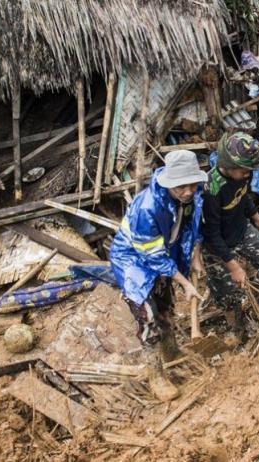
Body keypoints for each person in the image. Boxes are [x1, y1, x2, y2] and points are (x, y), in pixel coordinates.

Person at [110, 150, 206, 402]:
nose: (188, 191)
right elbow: (151, 257)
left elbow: (193, 228)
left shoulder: (191, 198)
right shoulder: (147, 207)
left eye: (192, 185)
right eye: (181, 186)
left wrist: (195, 256)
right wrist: (185, 282)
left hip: (166, 252)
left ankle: (171, 351)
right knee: (147, 314)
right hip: (133, 260)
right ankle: (156, 375)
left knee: (165, 305)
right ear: (169, 183)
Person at [202, 132, 259, 344]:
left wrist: (258, 220)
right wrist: (234, 266)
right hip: (216, 247)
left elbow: (243, 198)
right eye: (243, 170)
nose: (247, 174)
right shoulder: (211, 188)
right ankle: (237, 330)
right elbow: (211, 234)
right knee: (229, 296)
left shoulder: (241, 176)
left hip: (241, 230)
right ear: (228, 166)